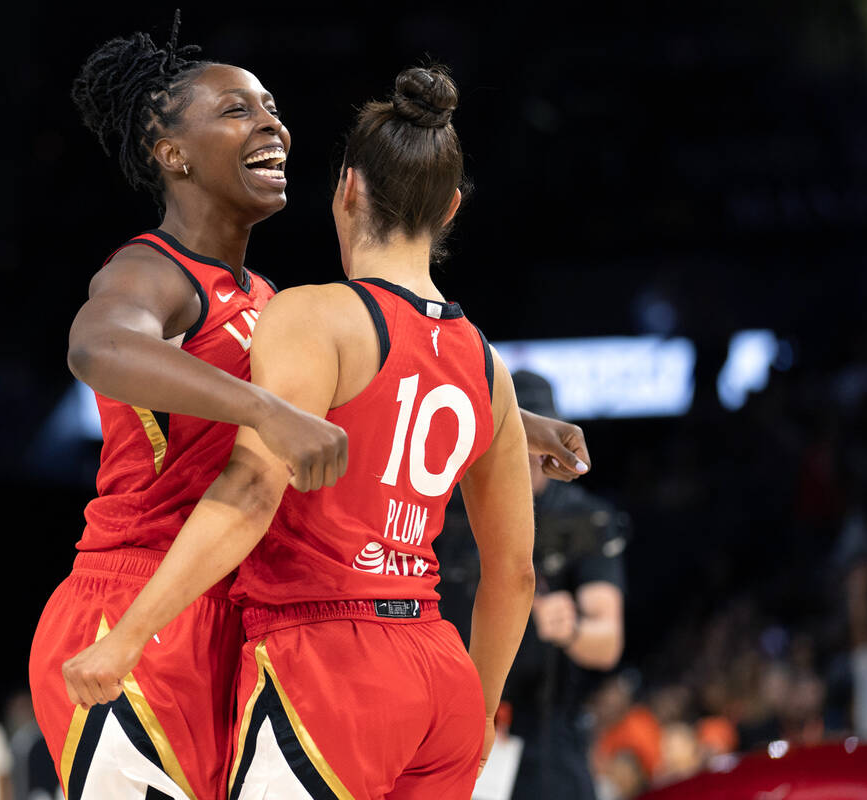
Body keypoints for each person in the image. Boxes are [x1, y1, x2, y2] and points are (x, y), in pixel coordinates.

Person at [31, 16, 589, 800]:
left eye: (271, 108)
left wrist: (512, 424)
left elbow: (358, 394)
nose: (272, 125)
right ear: (173, 154)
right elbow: (97, 350)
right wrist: (265, 410)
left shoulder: (269, 301)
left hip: (236, 606)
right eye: (237, 111)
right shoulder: (149, 269)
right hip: (140, 596)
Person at [501, 370, 628, 800]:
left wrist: (570, 627)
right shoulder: (456, 505)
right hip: (462, 720)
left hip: (547, 732)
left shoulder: (585, 519)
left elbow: (608, 640)